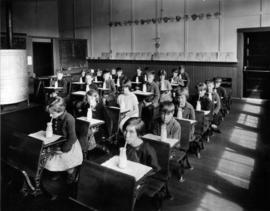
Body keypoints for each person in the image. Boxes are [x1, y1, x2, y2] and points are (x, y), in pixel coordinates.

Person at [45, 96, 83, 183]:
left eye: (52, 113)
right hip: (58, 142)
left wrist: (64, 149)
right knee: (54, 161)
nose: (50, 115)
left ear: (59, 111)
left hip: (69, 145)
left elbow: (72, 137)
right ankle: (59, 171)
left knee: (67, 163)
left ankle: (71, 175)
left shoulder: (69, 119)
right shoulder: (55, 117)